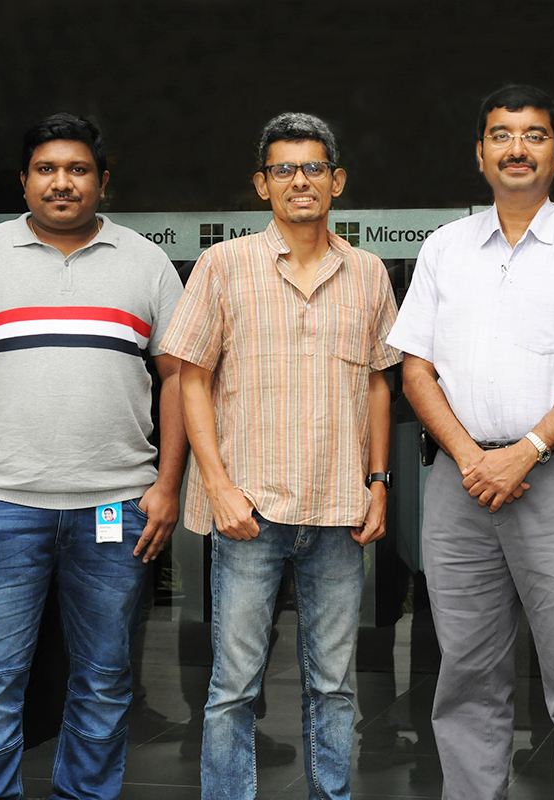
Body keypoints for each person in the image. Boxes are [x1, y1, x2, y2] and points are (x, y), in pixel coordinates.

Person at [386, 84, 554, 800]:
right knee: (465, 671)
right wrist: (473, 458)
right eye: (501, 135)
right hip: (459, 483)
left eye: (534, 136)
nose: (517, 148)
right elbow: (415, 369)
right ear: (480, 153)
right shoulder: (444, 248)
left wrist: (525, 450)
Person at [0, 113, 187, 800]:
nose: (61, 183)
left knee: (104, 679)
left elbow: (179, 378)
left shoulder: (147, 263)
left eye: (77, 170)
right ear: (24, 180)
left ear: (102, 180)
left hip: (115, 507)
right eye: (46, 169)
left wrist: (167, 485)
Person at [160, 112, 400, 800]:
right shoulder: (223, 265)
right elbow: (191, 379)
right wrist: (217, 485)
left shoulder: (368, 273)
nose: (301, 181)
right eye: (284, 169)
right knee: (233, 685)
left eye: (314, 167)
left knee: (335, 684)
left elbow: (379, 383)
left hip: (338, 510)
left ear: (337, 181)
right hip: (249, 511)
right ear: (262, 184)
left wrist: (379, 481)